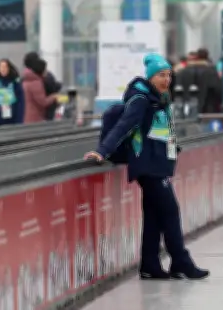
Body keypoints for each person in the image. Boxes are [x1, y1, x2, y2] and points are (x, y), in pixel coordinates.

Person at [83, 53, 209, 280]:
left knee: (153, 215)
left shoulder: (160, 97)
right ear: (150, 77)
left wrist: (172, 147)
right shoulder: (141, 99)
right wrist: (103, 150)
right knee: (170, 211)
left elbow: (161, 130)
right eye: (161, 75)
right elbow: (124, 125)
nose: (166, 79)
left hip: (159, 161)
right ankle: (180, 261)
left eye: (169, 75)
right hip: (148, 164)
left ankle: (150, 264)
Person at [174, 49, 223, 113]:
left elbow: (177, 89)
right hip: (207, 111)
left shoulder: (183, 72)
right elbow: (218, 91)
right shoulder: (211, 72)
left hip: (186, 109)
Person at [0, 59, 25, 126]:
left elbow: (21, 104)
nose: (3, 69)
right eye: (1, 67)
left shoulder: (16, 85)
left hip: (12, 121)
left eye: (5, 67)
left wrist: (19, 121)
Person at [22, 59, 58, 124]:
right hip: (34, 118)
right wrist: (53, 96)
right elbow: (43, 102)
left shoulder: (27, 80)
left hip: (26, 116)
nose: (46, 71)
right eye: (45, 69)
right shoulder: (36, 83)